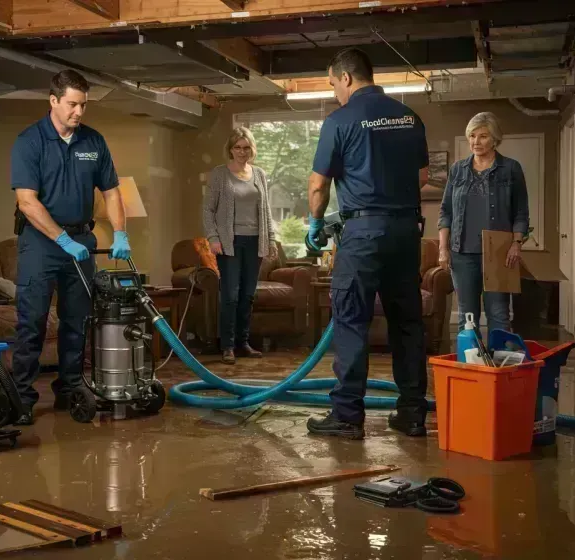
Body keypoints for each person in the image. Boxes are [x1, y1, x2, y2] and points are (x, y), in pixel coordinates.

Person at [305, 48, 430, 440]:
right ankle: (412, 414)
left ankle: (346, 415)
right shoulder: (409, 116)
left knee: (351, 319)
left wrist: (314, 222)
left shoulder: (339, 120)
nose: (334, 91)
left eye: (332, 83)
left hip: (362, 235)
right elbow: (423, 176)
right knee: (407, 323)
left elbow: (317, 184)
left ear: (345, 78)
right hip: (407, 232)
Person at [10, 69, 131, 425]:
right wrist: (60, 239)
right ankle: (23, 398)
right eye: (73, 104)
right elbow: (27, 202)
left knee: (77, 320)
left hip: (81, 240)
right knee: (31, 321)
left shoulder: (93, 142)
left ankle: (71, 390)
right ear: (54, 101)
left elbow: (111, 192)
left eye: (83, 105)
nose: (79, 112)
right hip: (40, 243)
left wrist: (120, 233)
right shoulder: (29, 141)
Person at [438, 112, 529, 334]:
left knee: (498, 313)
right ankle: (470, 365)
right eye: (472, 136)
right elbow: (446, 211)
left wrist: (516, 243)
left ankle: (498, 366)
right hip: (462, 253)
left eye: (483, 136)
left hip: (498, 252)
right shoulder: (458, 170)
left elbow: (521, 212)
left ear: (495, 139)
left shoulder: (510, 169)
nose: (476, 142)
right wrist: (443, 248)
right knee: (466, 316)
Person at [203, 126, 277, 364]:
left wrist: (271, 238)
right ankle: (227, 346)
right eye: (237, 147)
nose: (242, 152)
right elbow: (208, 209)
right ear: (231, 149)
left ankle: (243, 342)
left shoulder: (259, 174)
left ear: (251, 149)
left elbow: (266, 210)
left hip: (255, 241)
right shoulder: (219, 174)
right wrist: (213, 238)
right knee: (231, 295)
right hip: (229, 242)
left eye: (246, 147)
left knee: (248, 295)